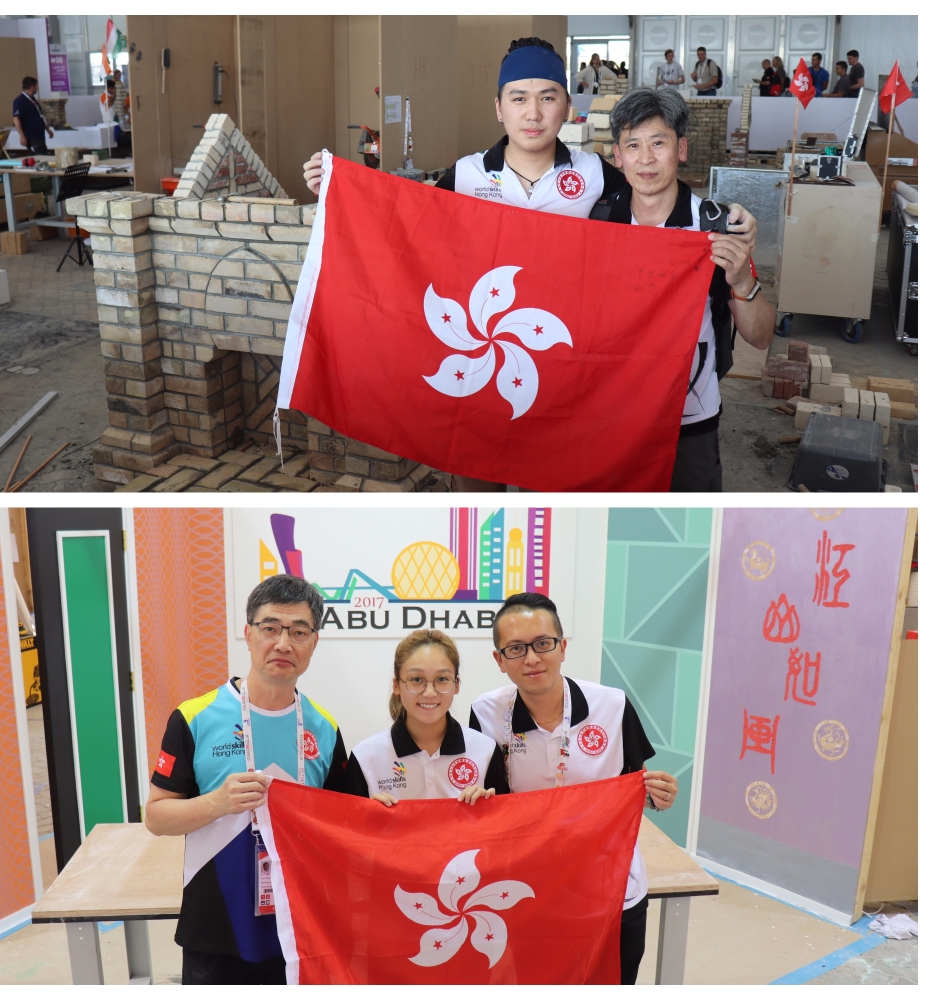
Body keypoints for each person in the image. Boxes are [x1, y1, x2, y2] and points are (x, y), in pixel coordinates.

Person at [305, 36, 628, 491]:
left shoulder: (596, 176)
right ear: (499, 107)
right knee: (478, 498)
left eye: (547, 97)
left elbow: (651, 231)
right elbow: (404, 231)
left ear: (567, 104)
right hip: (480, 369)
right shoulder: (468, 175)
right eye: (519, 98)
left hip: (562, 367)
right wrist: (337, 193)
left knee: (550, 494)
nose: (533, 113)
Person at [145, 574, 348, 985]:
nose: (283, 643)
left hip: (300, 924)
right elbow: (156, 817)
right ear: (248, 634)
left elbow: (345, 824)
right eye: (270, 628)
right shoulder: (194, 717)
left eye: (299, 631)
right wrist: (216, 803)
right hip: (216, 923)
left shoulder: (324, 729)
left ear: (314, 642)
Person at [468, 593, 679, 985]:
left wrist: (657, 795)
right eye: (515, 649)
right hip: (530, 894)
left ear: (562, 648)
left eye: (543, 644)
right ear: (499, 660)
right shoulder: (486, 713)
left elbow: (637, 786)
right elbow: (488, 802)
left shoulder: (612, 706)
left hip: (612, 891)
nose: (532, 658)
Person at [598, 87, 776, 491]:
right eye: (634, 145)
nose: (646, 159)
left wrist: (742, 281)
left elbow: (762, 336)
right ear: (618, 156)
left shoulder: (715, 228)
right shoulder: (599, 222)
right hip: (609, 410)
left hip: (689, 416)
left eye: (658, 143)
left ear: (681, 149)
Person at [344, 630, 508, 805]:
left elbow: (503, 826)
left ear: (456, 685)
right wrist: (367, 816)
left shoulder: (486, 750)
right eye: (416, 679)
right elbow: (347, 829)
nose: (429, 693)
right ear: (396, 685)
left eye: (442, 679)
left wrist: (488, 809)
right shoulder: (366, 757)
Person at [12, 76, 52, 155]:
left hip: (39, 135)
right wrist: (22, 136)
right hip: (32, 137)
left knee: (43, 154)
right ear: (32, 87)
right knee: (39, 158)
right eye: (36, 86)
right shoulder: (20, 101)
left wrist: (47, 128)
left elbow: (40, 115)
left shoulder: (33, 100)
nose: (37, 88)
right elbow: (16, 118)